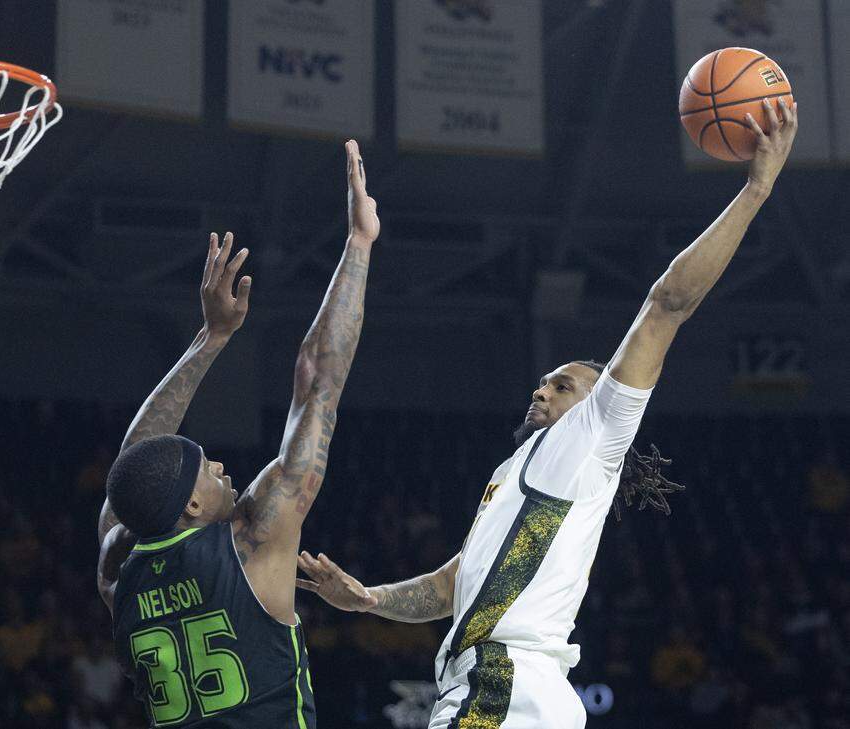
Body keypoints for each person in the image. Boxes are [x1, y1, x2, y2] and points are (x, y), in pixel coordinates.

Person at [295, 100, 799, 728]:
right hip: (509, 691)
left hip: (503, 687)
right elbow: (453, 584)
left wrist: (756, 189)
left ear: (597, 403)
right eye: (540, 384)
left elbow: (667, 303)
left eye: (562, 386)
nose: (541, 392)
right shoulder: (511, 474)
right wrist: (369, 599)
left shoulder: (595, 434)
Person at [96, 140, 379, 727]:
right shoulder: (252, 541)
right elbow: (317, 381)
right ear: (192, 504)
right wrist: (359, 243)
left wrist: (213, 338)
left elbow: (136, 469)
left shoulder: (119, 575)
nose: (221, 468)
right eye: (206, 468)